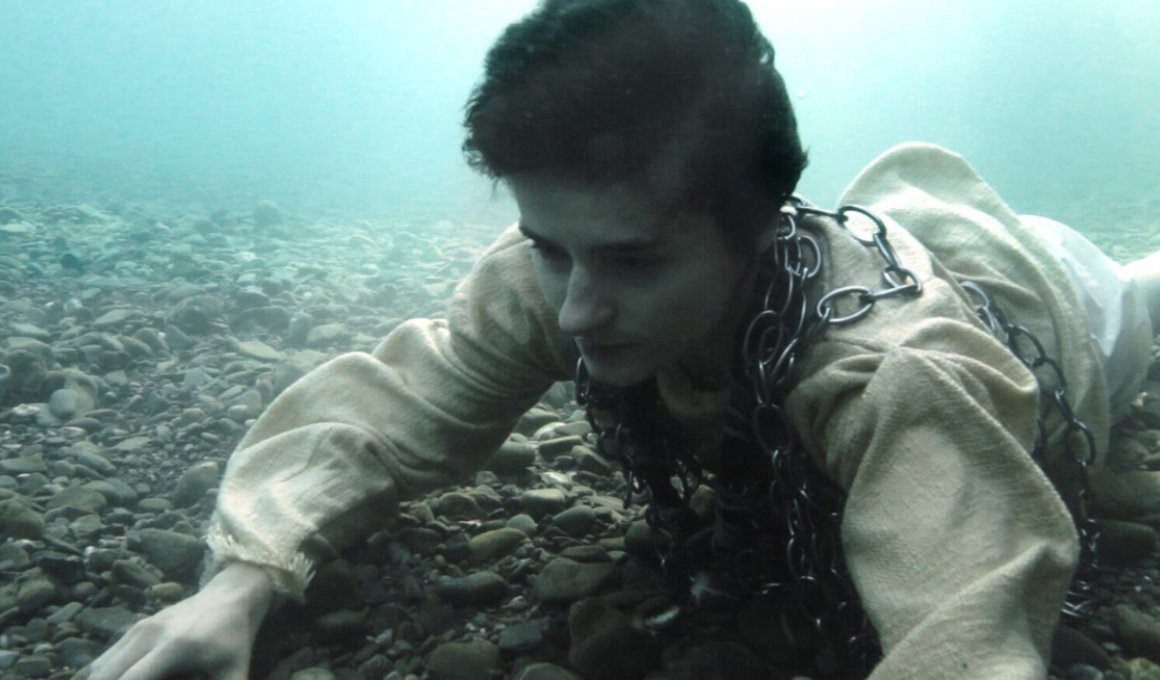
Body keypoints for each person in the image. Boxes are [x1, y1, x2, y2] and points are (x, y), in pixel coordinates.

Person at [88, 0, 1160, 678]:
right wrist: (238, 584)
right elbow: (389, 408)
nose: (572, 310)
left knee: (1135, 298)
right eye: (549, 246)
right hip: (878, 246)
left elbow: (969, 620)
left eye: (634, 261)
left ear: (756, 229)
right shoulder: (552, 279)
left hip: (1037, 297)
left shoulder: (894, 372)